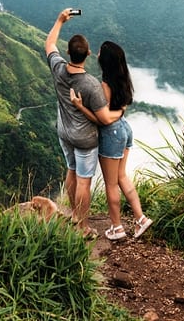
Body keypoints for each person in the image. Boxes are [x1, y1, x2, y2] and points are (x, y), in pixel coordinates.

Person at [44, 8, 118, 238]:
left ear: (68, 52)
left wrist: (59, 20)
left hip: (64, 132)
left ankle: (75, 216)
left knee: (71, 171)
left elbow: (49, 44)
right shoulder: (91, 84)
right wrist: (121, 112)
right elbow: (105, 118)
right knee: (84, 182)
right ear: (87, 54)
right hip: (85, 139)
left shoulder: (57, 69)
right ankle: (83, 227)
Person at [70, 40, 153, 241]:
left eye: (99, 52)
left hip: (112, 134)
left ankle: (117, 227)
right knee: (122, 176)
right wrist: (119, 113)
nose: (96, 53)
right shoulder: (123, 79)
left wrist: (80, 107)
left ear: (104, 61)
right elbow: (120, 108)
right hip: (125, 128)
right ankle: (140, 218)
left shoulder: (105, 86)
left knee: (111, 184)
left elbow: (102, 119)